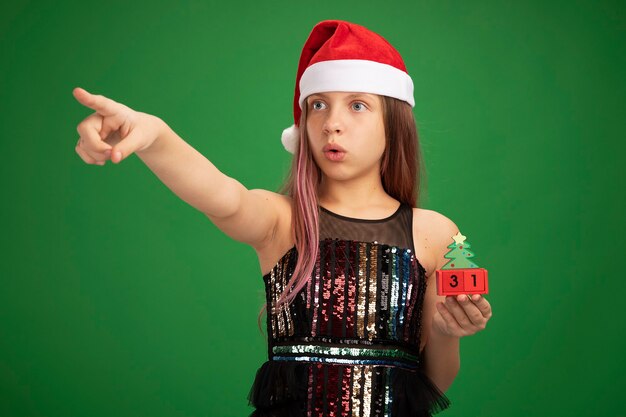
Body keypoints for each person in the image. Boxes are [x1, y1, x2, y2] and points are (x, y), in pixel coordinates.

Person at [73, 19, 492, 417]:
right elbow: (224, 197)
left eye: (358, 105)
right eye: (319, 105)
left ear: (395, 122)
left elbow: (435, 380)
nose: (332, 124)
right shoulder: (281, 219)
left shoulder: (441, 234)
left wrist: (446, 331)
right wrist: (154, 135)